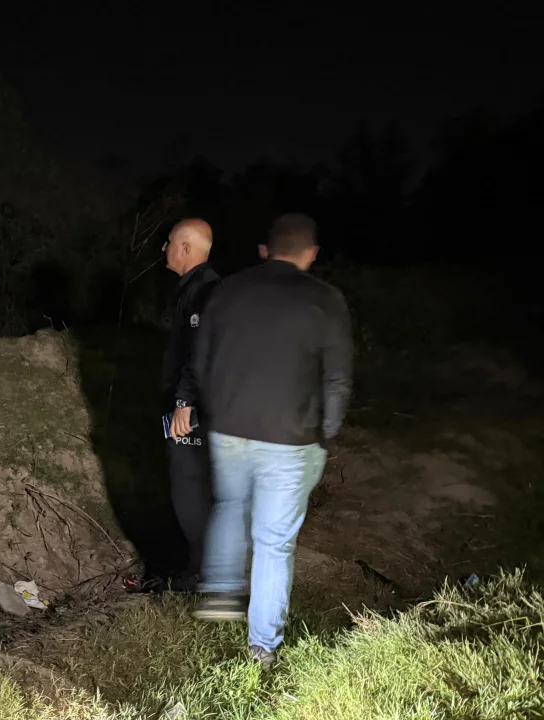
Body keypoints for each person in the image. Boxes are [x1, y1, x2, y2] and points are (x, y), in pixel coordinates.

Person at [190, 213, 353, 668]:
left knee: (229, 505)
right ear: (311, 253)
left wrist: (218, 412)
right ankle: (262, 645)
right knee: (273, 541)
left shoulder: (227, 291)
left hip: (230, 427)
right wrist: (326, 433)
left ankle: (221, 590)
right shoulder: (326, 299)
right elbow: (337, 378)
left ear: (266, 249)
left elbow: (201, 362)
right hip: (291, 437)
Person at [161, 218, 222, 590]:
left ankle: (202, 574)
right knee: (193, 488)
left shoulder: (205, 292)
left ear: (184, 248)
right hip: (197, 405)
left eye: (168, 242)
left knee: (191, 489)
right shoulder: (196, 289)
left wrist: (184, 400)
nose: (163, 249)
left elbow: (201, 353)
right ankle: (197, 566)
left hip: (195, 411)